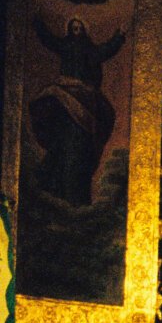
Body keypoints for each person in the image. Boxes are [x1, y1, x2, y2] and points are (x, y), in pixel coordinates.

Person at [29, 16, 124, 205]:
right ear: (70, 30)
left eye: (80, 27)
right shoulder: (65, 46)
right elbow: (50, 41)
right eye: (74, 27)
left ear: (84, 31)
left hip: (85, 99)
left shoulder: (90, 49)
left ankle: (78, 197)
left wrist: (118, 37)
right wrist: (39, 24)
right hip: (65, 96)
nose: (77, 30)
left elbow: (105, 50)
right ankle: (58, 191)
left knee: (81, 149)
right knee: (63, 146)